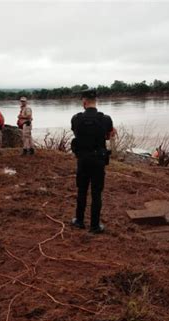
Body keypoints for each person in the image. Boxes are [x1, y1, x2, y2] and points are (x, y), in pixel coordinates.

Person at [70, 88, 113, 234]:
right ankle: (95, 226)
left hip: (83, 160)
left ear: (84, 101)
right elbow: (108, 136)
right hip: (98, 160)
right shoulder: (106, 119)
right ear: (96, 101)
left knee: (82, 190)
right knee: (96, 193)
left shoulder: (76, 118)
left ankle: (79, 221)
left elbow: (76, 133)